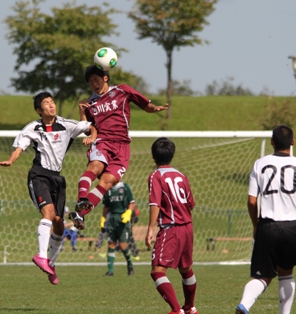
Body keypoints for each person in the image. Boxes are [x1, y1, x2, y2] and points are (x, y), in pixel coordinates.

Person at [0, 91, 96, 285]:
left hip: (57, 179)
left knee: (59, 224)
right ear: (38, 110)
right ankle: (41, 256)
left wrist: (91, 136)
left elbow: (90, 127)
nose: (51, 105)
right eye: (46, 104)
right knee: (48, 214)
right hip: (39, 175)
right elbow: (20, 147)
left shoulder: (66, 125)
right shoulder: (33, 128)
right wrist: (11, 160)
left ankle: (51, 263)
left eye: (52, 102)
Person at [68, 64, 169, 230]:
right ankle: (81, 200)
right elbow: (87, 130)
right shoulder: (90, 103)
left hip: (122, 147)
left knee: (107, 182)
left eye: (96, 79)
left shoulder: (122, 91)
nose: (94, 83)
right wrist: (81, 112)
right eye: (90, 81)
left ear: (105, 78)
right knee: (95, 167)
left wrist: (155, 109)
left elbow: (144, 104)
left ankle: (80, 214)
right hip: (103, 141)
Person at [236, 124, 296, 314]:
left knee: (262, 275)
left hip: (267, 225)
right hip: (292, 226)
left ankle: (244, 305)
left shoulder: (260, 164)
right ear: (292, 142)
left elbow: (251, 201)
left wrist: (256, 225)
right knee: (286, 274)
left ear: (272, 142)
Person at [145, 137, 198, 314]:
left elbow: (155, 204)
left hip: (171, 227)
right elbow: (191, 203)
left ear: (153, 156)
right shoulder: (182, 176)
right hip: (188, 227)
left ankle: (177, 310)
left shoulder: (156, 176)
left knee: (157, 271)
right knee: (185, 269)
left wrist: (150, 229)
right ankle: (190, 308)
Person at [101, 181, 135, 276]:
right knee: (111, 244)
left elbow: (132, 202)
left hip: (123, 218)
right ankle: (110, 270)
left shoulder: (125, 187)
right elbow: (106, 206)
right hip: (112, 219)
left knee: (123, 245)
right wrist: (103, 218)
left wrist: (128, 212)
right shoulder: (108, 189)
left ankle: (130, 264)